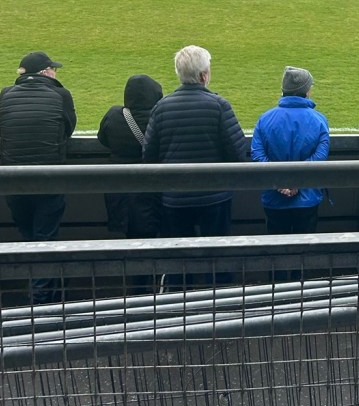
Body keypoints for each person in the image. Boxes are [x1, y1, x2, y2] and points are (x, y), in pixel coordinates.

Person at [142, 45, 248, 257]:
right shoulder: (219, 106)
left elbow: (149, 155)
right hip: (214, 196)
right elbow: (237, 152)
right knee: (219, 259)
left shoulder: (162, 107)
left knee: (178, 263)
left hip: (174, 198)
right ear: (203, 76)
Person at [0, 51, 77, 301]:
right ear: (44, 72)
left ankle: (41, 293)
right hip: (48, 178)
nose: (56, 72)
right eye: (53, 69)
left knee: (30, 237)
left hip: (13, 180)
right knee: (45, 238)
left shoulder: (5, 94)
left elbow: (0, 127)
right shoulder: (61, 95)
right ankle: (40, 301)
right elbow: (67, 130)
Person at [251, 66, 330, 237]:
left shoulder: (265, 119)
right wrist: (298, 181)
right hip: (307, 199)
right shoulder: (319, 120)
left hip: (274, 199)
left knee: (277, 251)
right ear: (307, 91)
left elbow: (258, 155)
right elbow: (320, 156)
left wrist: (279, 182)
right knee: (305, 250)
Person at [97, 74, 164, 240]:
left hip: (121, 189)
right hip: (153, 187)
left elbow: (102, 138)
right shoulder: (160, 117)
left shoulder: (113, 115)